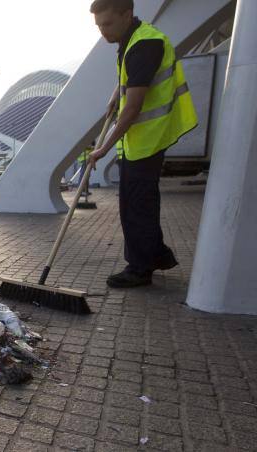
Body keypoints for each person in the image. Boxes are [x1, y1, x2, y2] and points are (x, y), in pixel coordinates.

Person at [87, 0, 197, 288]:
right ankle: (157, 255)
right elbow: (132, 79)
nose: (103, 32)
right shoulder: (134, 39)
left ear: (127, 15)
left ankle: (140, 269)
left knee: (135, 207)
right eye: (98, 26)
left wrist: (103, 148)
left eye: (107, 24)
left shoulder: (144, 45)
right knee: (141, 203)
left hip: (147, 140)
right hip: (141, 140)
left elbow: (133, 108)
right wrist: (115, 93)